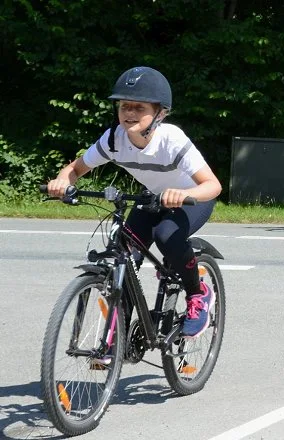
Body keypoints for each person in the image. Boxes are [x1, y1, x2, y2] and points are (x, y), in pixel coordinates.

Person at [47, 66, 222, 337]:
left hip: (191, 199)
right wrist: (62, 181)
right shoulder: (114, 139)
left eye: (138, 107)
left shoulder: (171, 140)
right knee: (124, 252)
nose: (129, 113)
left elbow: (213, 186)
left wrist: (182, 195)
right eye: (124, 106)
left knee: (167, 236)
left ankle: (198, 294)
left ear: (160, 113)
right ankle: (119, 332)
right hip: (152, 198)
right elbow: (76, 169)